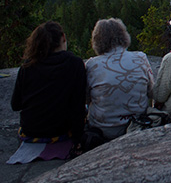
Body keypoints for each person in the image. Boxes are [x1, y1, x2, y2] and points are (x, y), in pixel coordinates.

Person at [9, 21, 86, 163]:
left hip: (30, 131)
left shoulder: (27, 66)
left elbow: (16, 105)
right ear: (63, 37)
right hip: (61, 131)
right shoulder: (74, 63)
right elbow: (78, 107)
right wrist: (77, 140)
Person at [86, 18, 154, 140]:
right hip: (138, 125)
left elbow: (86, 98)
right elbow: (151, 91)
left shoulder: (92, 65)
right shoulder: (140, 58)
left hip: (104, 130)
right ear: (124, 36)